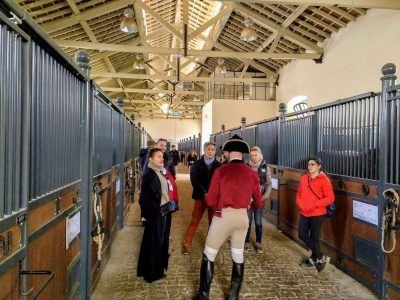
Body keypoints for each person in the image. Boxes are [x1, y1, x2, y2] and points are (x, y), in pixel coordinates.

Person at [194, 135, 262, 300]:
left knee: (209, 254)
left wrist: (217, 201)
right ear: (242, 153)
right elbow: (258, 201)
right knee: (238, 256)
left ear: (228, 153)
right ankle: (233, 296)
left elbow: (210, 200)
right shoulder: (252, 173)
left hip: (223, 217)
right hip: (242, 219)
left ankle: (203, 296)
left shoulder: (221, 171)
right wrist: (248, 201)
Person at [137, 148, 177, 283]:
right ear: (150, 159)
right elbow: (143, 198)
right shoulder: (149, 174)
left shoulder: (159, 172)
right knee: (154, 243)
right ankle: (151, 273)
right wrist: (151, 214)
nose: (162, 159)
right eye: (158, 157)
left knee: (160, 242)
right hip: (157, 214)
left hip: (164, 212)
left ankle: (157, 270)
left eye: (162, 157)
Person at [296, 156, 334, 273]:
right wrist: (300, 204)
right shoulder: (304, 178)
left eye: (313, 164)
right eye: (309, 164)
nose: (310, 167)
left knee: (314, 237)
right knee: (302, 234)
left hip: (317, 213)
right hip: (304, 212)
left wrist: (314, 205)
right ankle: (320, 256)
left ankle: (313, 259)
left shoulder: (324, 180)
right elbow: (299, 194)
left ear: (319, 166)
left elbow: (330, 198)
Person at [182, 142, 221, 255]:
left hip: (213, 198)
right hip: (200, 197)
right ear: (204, 150)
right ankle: (186, 244)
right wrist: (204, 193)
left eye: (213, 149)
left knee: (213, 223)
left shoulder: (219, 165)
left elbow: (220, 182)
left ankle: (211, 246)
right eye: (208, 149)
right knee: (195, 221)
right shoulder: (196, 164)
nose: (210, 151)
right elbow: (194, 180)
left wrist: (212, 194)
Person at [245, 146, 272, 253]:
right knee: (247, 222)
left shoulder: (265, 167)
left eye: (255, 155)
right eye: (251, 155)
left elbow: (269, 184)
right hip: (248, 199)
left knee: (258, 221)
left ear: (260, 155)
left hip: (259, 199)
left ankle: (258, 243)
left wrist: (264, 197)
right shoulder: (246, 166)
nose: (253, 157)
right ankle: (246, 242)